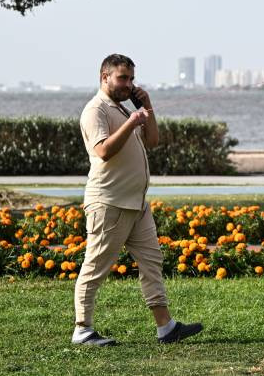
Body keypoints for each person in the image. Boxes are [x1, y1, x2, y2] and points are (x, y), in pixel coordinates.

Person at [72, 53, 203, 347]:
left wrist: (147, 107)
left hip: (136, 203)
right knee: (95, 266)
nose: (128, 84)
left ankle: (166, 328)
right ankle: (82, 329)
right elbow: (103, 151)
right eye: (122, 78)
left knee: (152, 262)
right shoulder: (95, 110)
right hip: (109, 202)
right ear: (104, 77)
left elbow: (152, 141)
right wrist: (131, 123)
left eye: (131, 79)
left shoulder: (122, 108)